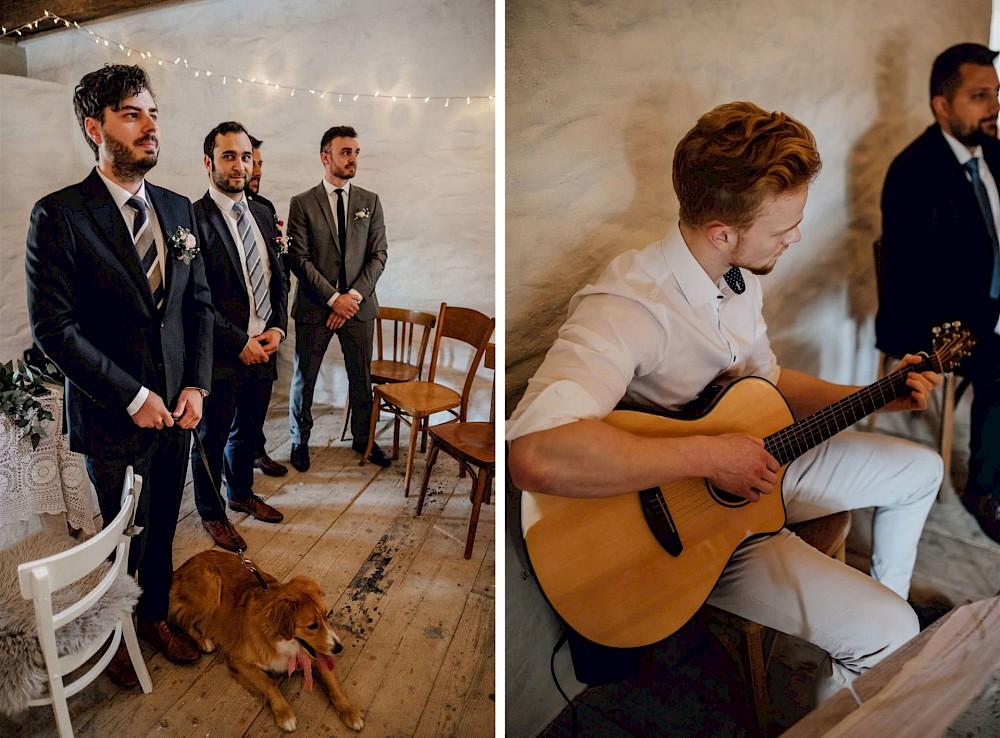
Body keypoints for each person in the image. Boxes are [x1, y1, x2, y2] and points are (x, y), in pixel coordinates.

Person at [507, 101, 944, 702]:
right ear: (723, 232)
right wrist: (710, 458)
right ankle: (880, 645)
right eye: (784, 226)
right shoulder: (626, 306)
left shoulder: (739, 275)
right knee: (891, 631)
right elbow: (535, 454)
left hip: (760, 466)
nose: (796, 237)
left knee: (924, 469)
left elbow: (766, 383)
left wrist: (873, 397)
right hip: (687, 531)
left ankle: (876, 635)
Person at [25, 64, 214, 686]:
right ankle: (115, 628)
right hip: (113, 415)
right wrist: (132, 396)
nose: (150, 126)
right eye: (132, 114)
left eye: (152, 113)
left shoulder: (179, 209)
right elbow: (56, 330)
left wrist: (195, 385)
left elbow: (199, 308)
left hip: (177, 412)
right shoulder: (59, 217)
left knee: (164, 521)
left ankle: (154, 615)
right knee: (118, 532)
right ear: (94, 127)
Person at [877, 42, 1000, 544]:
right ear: (942, 105)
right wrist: (990, 317)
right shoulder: (913, 174)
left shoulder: (993, 151)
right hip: (936, 319)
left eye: (996, 94)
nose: (994, 107)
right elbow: (919, 282)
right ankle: (984, 489)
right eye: (979, 96)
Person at [190, 121, 288, 553]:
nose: (239, 164)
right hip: (220, 352)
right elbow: (195, 299)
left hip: (264, 347)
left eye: (245, 156)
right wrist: (238, 341)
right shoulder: (192, 218)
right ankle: (213, 513)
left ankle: (241, 493)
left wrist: (276, 328)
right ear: (209, 162)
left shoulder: (263, 212)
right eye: (229, 156)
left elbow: (279, 280)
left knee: (249, 432)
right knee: (212, 438)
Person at [286, 125, 391, 471]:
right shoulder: (302, 203)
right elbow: (298, 259)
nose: (353, 158)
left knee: (360, 376)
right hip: (316, 307)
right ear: (325, 157)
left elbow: (379, 255)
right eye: (345, 152)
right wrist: (334, 300)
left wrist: (353, 298)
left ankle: (364, 438)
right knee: (306, 376)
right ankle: (300, 440)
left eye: (356, 152)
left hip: (359, 309)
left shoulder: (370, 201)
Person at [244, 134, 289, 478]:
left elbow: (278, 271)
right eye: (251, 162)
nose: (256, 170)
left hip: (266, 328)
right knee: (232, 420)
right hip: (234, 335)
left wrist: (278, 325)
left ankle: (256, 450)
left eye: (259, 163)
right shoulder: (202, 213)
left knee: (259, 402)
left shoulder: (265, 209)